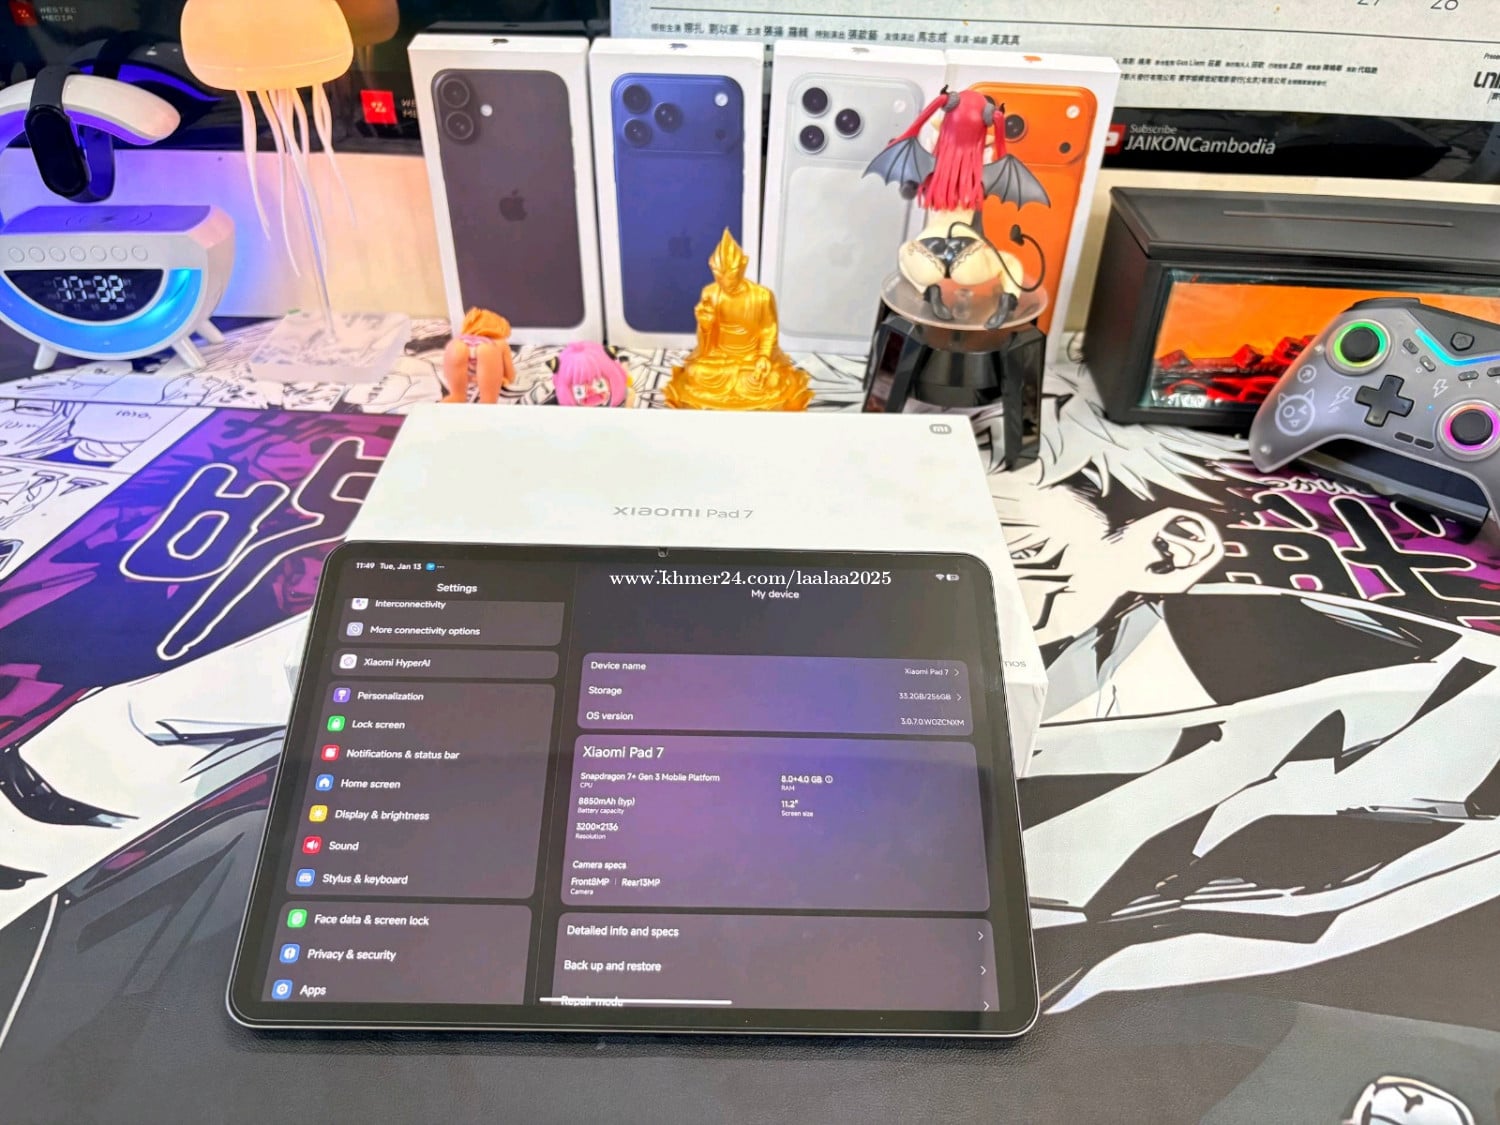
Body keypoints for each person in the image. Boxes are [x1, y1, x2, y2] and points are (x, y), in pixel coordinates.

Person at [441, 307, 516, 404]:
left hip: (463, 343)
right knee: (486, 351)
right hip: (488, 348)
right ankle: (488, 401)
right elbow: (510, 374)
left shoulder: (462, 339)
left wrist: (466, 377)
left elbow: (447, 370)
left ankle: (457, 396)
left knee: (455, 348)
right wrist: (506, 378)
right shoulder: (499, 342)